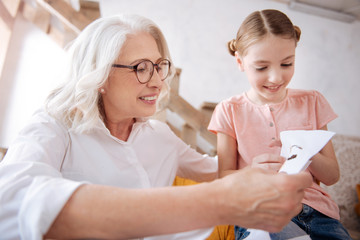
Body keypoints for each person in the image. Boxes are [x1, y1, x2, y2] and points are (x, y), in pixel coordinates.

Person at [0, 14, 312, 240]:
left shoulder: (160, 135)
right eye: (141, 68)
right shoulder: (54, 126)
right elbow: (11, 204)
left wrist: (256, 162)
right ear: (99, 76)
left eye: (159, 66)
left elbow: (212, 168)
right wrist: (219, 202)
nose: (158, 81)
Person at [208, 9, 352, 240]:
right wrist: (251, 172)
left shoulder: (312, 101)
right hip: (260, 211)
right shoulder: (229, 110)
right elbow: (223, 178)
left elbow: (332, 176)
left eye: (286, 64)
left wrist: (305, 152)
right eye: (262, 67)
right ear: (240, 62)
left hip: (318, 214)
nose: (276, 77)